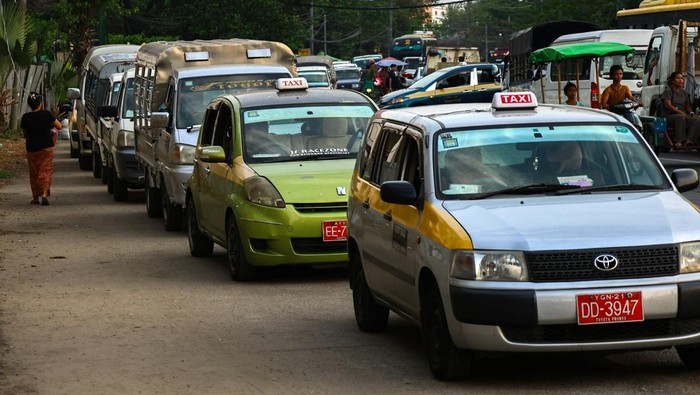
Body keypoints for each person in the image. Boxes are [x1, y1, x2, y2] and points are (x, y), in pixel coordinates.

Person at [20, 92, 62, 206]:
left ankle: (35, 197)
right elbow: (59, 126)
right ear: (40, 103)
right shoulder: (47, 115)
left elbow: (25, 133)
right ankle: (44, 194)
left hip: (31, 149)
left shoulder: (26, 117)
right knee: (46, 170)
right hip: (46, 148)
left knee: (34, 173)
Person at [661, 71, 700, 148]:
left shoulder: (684, 93)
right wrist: (681, 113)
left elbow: (687, 106)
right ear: (672, 80)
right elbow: (668, 105)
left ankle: (689, 140)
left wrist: (692, 113)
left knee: (697, 120)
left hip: (683, 115)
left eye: (682, 78)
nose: (680, 80)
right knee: (680, 117)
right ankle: (679, 141)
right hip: (669, 116)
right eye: (678, 78)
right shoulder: (668, 91)